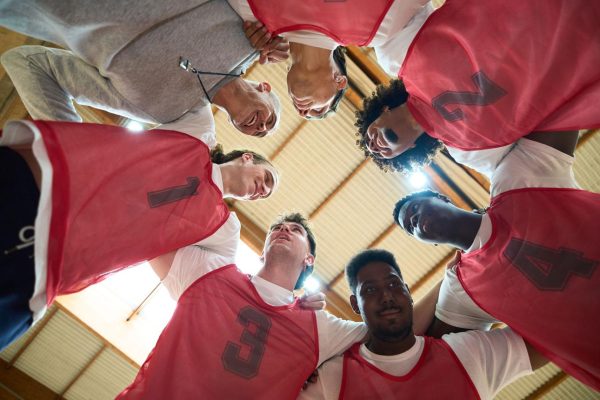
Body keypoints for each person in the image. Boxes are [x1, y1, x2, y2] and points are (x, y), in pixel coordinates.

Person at [0, 119, 280, 351]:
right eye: (267, 178)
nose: (264, 190)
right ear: (247, 157)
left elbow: (216, 288)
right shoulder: (198, 132)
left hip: (49, 267)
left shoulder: (224, 228)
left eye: (266, 195)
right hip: (37, 187)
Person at [392, 131, 600, 390]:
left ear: (441, 197)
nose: (412, 220)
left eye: (414, 208)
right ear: (430, 243)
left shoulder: (516, 180)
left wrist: (422, 124)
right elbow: (413, 352)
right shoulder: (461, 288)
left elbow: (557, 111)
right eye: (409, 227)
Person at [117, 212, 368, 399]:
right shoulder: (210, 271)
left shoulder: (320, 328)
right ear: (262, 252)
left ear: (309, 259)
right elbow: (147, 231)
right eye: (277, 228)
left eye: (296, 230)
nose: (284, 229)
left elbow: (389, 332)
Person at [355, 0, 600, 173]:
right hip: (585, 38)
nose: (373, 146)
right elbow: (545, 162)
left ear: (382, 111)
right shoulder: (474, 154)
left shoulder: (396, 54)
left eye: (368, 138)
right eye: (377, 153)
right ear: (409, 150)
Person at [0, 0, 281, 141]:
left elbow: (28, 63)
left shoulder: (161, 112)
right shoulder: (252, 36)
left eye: (260, 134)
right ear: (265, 87)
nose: (261, 128)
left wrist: (71, 150)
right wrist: (277, 29)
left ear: (233, 126)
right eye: (270, 120)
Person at [298, 249, 544, 400]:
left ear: (408, 292)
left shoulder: (466, 353)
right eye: (370, 290)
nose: (386, 296)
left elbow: (549, 338)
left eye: (393, 285)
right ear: (355, 304)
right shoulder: (332, 377)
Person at [227, 0, 431, 119]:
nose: (302, 112)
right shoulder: (379, 28)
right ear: (340, 81)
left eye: (304, 113)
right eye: (318, 109)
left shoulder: (248, 10)